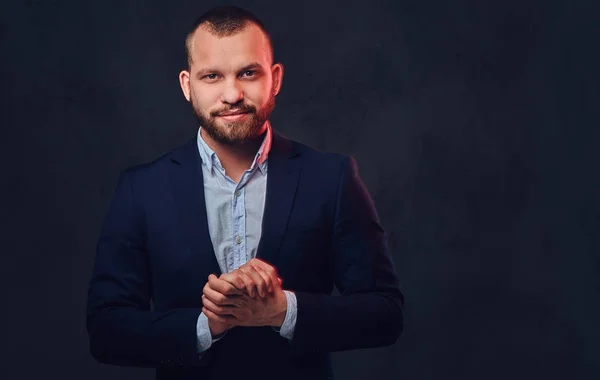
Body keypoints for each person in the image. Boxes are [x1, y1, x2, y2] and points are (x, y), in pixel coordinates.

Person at [86, 5, 403, 380]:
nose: (232, 93)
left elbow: (385, 314)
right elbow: (106, 330)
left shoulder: (331, 178)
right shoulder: (141, 189)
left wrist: (283, 310)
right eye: (212, 76)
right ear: (188, 85)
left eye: (248, 73)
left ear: (276, 78)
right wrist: (207, 326)